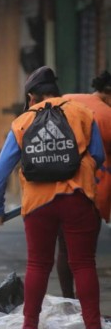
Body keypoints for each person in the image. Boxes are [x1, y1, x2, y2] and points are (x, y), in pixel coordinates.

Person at [0, 66, 108, 329]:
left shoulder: (22, 122)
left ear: (31, 97)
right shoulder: (82, 113)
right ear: (57, 93)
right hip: (78, 199)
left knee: (38, 264)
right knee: (84, 263)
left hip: (38, 204)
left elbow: (1, 172)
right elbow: (99, 156)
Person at [55, 70, 111, 298]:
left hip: (54, 186)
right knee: (85, 256)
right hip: (91, 190)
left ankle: (68, 301)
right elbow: (98, 155)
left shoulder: (66, 100)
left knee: (63, 249)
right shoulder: (106, 114)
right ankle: (87, 312)